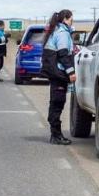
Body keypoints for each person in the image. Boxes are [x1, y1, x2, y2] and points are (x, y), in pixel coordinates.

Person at [41, 9, 76, 145]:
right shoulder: (62, 33)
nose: (72, 21)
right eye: (71, 18)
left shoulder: (56, 31)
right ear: (66, 19)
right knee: (57, 104)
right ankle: (56, 136)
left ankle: (55, 134)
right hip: (59, 74)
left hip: (55, 73)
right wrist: (71, 72)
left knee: (56, 103)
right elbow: (63, 54)